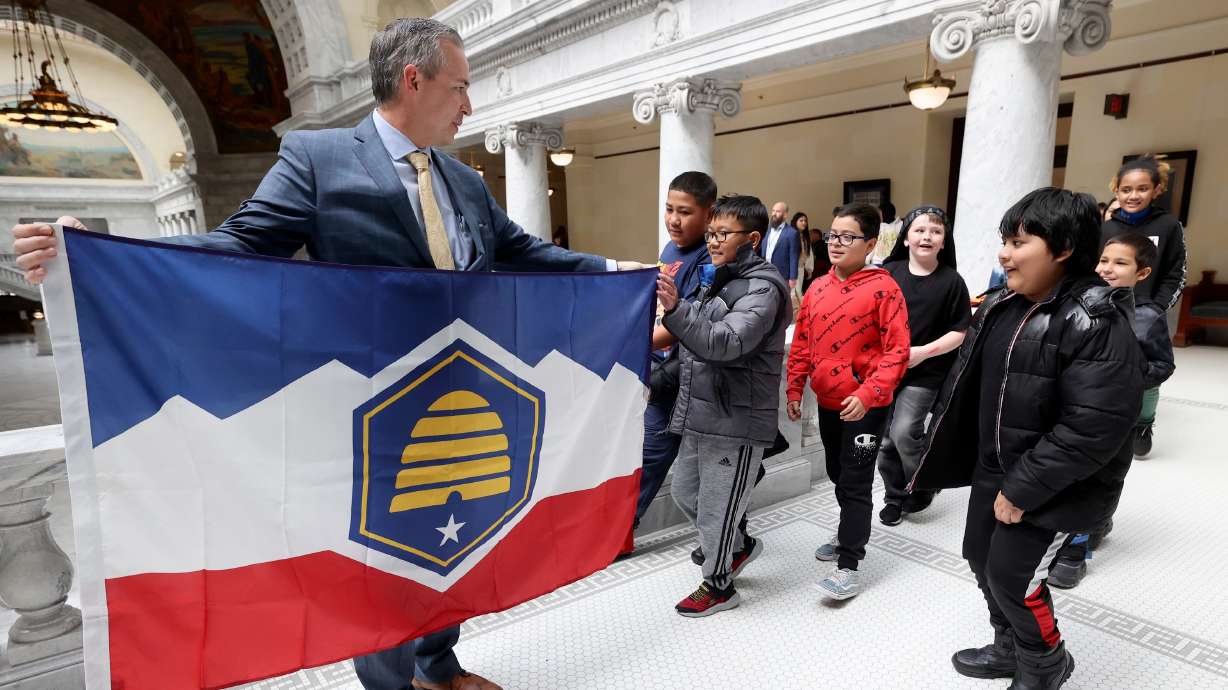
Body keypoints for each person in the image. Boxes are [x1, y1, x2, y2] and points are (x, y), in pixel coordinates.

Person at [12, 18, 645, 690]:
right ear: (414, 79)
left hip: (461, 394)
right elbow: (242, 244)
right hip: (372, 406)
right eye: (460, 88)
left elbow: (523, 253)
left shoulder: (462, 181)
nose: (470, 104)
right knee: (383, 562)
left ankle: (441, 663)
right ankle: (391, 683)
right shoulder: (319, 159)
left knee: (457, 536)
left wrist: (613, 269)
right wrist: (93, 256)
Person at [913, 188, 1143, 690]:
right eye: (1004, 241)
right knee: (980, 557)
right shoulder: (1003, 304)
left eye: (1018, 242)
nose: (1004, 253)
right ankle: (1008, 645)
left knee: (1015, 577)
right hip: (995, 467)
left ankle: (1045, 662)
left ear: (1061, 248)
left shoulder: (1094, 319)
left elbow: (1093, 426)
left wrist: (1023, 489)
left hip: (1053, 482)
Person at [655, 194, 790, 617]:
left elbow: (726, 343)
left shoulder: (763, 289)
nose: (712, 241)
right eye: (711, 233)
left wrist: (676, 309)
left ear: (751, 239)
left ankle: (718, 586)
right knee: (685, 492)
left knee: (715, 510)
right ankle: (739, 544)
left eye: (722, 234)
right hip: (701, 411)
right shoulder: (721, 277)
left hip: (735, 419)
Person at [785, 202, 910, 601]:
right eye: (834, 234)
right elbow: (802, 342)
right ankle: (845, 534)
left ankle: (849, 564)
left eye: (848, 237)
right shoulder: (819, 286)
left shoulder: (884, 288)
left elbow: (897, 351)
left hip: (866, 406)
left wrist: (868, 393)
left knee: (855, 482)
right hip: (828, 401)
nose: (836, 243)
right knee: (839, 475)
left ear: (870, 243)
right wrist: (794, 388)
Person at [1047, 232, 1175, 589]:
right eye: (1104, 260)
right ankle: (1082, 528)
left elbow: (1163, 364)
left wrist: (1126, 379)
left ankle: (1077, 550)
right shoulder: (1078, 304)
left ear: (1143, 273)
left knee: (1104, 478)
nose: (1107, 268)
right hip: (1074, 413)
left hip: (1117, 419)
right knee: (1069, 474)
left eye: (1120, 263)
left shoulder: (1148, 317)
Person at [876, 205, 970, 526]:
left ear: (944, 242)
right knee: (884, 440)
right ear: (905, 238)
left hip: (926, 371)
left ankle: (925, 480)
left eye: (935, 231)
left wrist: (922, 353)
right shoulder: (888, 274)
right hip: (886, 371)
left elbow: (960, 332)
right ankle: (895, 495)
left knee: (903, 433)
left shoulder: (952, 282)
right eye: (919, 230)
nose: (926, 236)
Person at [635, 171, 717, 536]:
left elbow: (691, 323)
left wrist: (635, 342)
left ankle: (621, 530)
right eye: (669, 209)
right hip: (657, 366)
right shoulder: (670, 249)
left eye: (684, 212)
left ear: (709, 214)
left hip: (681, 377)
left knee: (652, 454)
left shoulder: (708, 260)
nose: (673, 219)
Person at [1100, 154, 1187, 456]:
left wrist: (1158, 307)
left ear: (1157, 190)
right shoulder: (1107, 228)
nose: (1133, 195)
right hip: (1108, 309)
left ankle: (1143, 422)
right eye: (1126, 189)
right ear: (1116, 190)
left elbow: (1176, 270)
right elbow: (1096, 268)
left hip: (1147, 311)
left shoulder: (1168, 225)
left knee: (1147, 369)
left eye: (1141, 189)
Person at [759, 201, 801, 293]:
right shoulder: (766, 229)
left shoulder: (792, 233)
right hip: (765, 271)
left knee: (781, 301)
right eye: (773, 211)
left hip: (782, 274)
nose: (774, 213)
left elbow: (794, 256)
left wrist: (793, 277)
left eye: (778, 211)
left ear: (785, 215)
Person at [792, 211, 814, 302]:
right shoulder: (790, 235)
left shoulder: (805, 238)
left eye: (805, 220)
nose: (804, 223)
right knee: (793, 293)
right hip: (790, 270)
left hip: (800, 269)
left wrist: (809, 269)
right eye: (801, 220)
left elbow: (809, 254)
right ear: (795, 222)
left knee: (798, 291)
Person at [873, 200, 901, 265]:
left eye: (880, 213)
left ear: (885, 213)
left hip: (891, 262)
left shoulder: (900, 225)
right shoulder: (878, 226)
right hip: (876, 261)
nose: (879, 215)